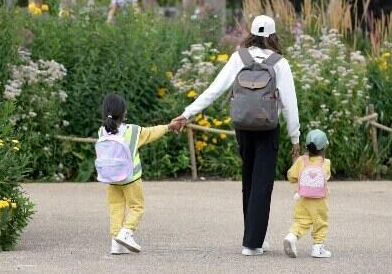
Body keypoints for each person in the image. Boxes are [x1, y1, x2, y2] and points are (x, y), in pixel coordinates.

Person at [170, 15, 301, 256]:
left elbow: (214, 90)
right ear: (273, 36)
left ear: (250, 33)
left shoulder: (238, 58)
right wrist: (295, 138)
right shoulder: (279, 62)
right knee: (263, 185)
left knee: (249, 181)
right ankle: (253, 242)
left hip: (243, 126)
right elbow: (290, 105)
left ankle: (252, 237)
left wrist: (186, 114)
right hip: (268, 128)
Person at [99, 93, 174, 254]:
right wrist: (168, 127)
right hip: (130, 178)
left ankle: (115, 243)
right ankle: (126, 232)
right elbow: (152, 132)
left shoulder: (102, 132)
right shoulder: (133, 131)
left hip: (111, 179)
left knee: (115, 207)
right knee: (137, 206)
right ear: (124, 113)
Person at [283, 129, 332, 258]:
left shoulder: (301, 161)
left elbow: (291, 176)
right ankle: (318, 248)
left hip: (302, 198)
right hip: (319, 201)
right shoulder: (326, 163)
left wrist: (296, 164)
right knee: (320, 222)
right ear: (324, 147)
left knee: (301, 220)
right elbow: (326, 177)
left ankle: (292, 236)